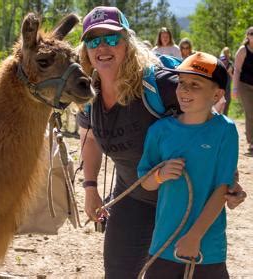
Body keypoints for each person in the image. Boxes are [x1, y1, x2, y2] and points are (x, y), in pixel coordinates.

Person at [77, 6, 246, 278]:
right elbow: (92, 138)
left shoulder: (161, 85)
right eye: (93, 40)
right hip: (133, 196)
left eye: (111, 39)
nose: (102, 47)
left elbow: (210, 118)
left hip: (183, 202)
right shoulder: (88, 91)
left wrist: (229, 177)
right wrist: (90, 187)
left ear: (127, 43)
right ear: (85, 48)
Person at [138, 52, 237, 278]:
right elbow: (145, 182)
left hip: (208, 247)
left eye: (195, 84)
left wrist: (194, 237)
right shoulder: (159, 131)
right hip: (164, 243)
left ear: (217, 94)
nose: (185, 90)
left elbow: (222, 188)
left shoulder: (225, 131)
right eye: (181, 83)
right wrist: (160, 175)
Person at [233, 26, 253, 156]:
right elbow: (237, 70)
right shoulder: (243, 50)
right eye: (251, 34)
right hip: (245, 85)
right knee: (250, 112)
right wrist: (234, 88)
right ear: (248, 36)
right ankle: (251, 141)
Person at [215, 47, 234, 115]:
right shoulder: (220, 62)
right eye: (225, 54)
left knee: (227, 103)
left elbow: (234, 77)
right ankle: (217, 117)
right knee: (219, 103)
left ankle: (224, 117)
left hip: (227, 88)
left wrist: (230, 73)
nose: (226, 57)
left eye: (227, 54)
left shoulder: (231, 64)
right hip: (220, 87)